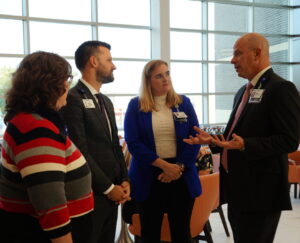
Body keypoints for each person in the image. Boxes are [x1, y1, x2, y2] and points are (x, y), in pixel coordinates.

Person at [184, 33, 300, 243]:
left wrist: (246, 145)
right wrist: (212, 141)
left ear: (257, 54)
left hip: (262, 192)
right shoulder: (242, 91)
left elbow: (289, 140)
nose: (232, 60)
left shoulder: (281, 89)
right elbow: (233, 136)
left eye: (238, 54)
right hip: (238, 189)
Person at [0, 51, 94, 243]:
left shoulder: (31, 121)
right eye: (65, 79)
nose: (68, 85)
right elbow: (50, 203)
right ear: (49, 85)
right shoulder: (35, 128)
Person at [60, 41, 130, 243]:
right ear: (93, 61)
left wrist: (124, 180)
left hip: (113, 194)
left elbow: (114, 145)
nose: (114, 65)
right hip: (91, 194)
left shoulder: (105, 102)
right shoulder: (73, 98)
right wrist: (109, 188)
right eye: (109, 60)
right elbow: (79, 151)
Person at [124, 60, 202, 243]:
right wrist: (164, 166)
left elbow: (196, 137)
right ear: (148, 80)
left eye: (167, 73)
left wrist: (178, 167)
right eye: (159, 76)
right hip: (149, 175)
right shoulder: (136, 106)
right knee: (150, 234)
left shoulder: (183, 102)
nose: (165, 79)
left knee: (181, 233)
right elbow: (133, 143)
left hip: (180, 174)